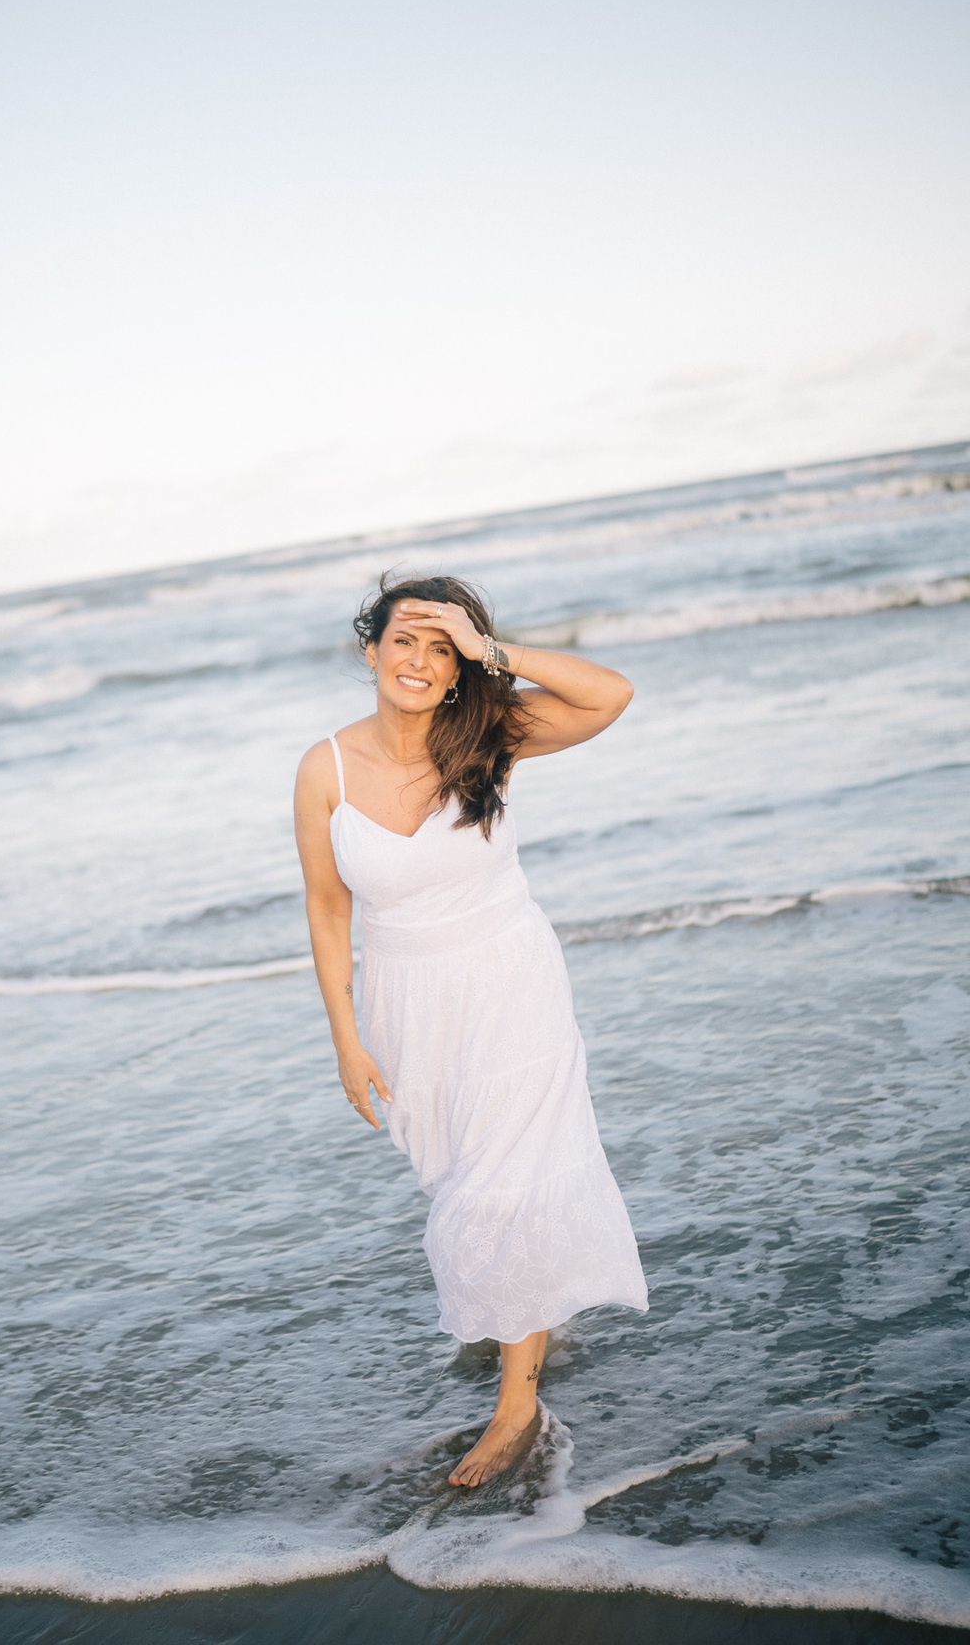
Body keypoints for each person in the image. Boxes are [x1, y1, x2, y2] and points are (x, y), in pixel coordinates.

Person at [293, 573, 648, 1489]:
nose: (420, 660)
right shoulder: (321, 771)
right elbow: (328, 913)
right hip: (412, 1010)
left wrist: (496, 652)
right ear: (370, 651)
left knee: (495, 1191)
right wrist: (345, 1040)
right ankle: (530, 1314)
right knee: (465, 1182)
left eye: (442, 646)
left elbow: (611, 695)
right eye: (405, 639)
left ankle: (516, 1402)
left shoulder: (490, 733)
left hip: (513, 983)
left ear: (461, 668)